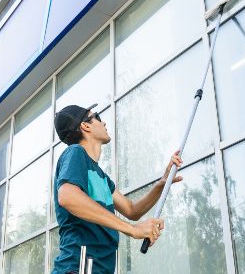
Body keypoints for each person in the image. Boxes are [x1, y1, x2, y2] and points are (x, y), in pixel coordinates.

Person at [52, 103, 183, 274]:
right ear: (85, 126)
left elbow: (132, 210)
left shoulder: (101, 176)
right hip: (79, 267)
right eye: (97, 117)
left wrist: (163, 182)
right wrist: (133, 229)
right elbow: (68, 197)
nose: (104, 123)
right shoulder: (75, 153)